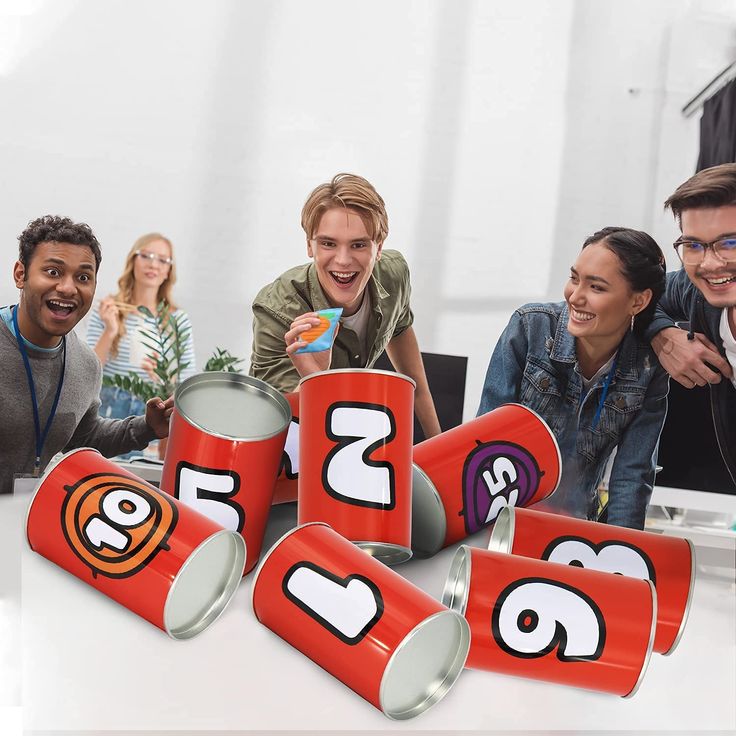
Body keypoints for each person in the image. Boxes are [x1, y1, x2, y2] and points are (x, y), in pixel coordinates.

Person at [478, 227, 668, 529]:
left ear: (639, 301)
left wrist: (619, 554)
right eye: (574, 278)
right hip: (500, 519)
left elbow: (632, 476)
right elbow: (485, 442)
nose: (575, 296)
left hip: (575, 531)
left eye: (597, 288)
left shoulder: (648, 367)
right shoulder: (531, 327)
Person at [250, 173, 441, 438]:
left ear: (379, 247)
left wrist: (437, 448)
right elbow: (280, 431)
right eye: (328, 243)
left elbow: (416, 386)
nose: (343, 260)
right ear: (309, 245)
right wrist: (315, 377)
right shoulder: (278, 309)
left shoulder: (394, 275)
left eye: (359, 245)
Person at [0, 215, 173, 494]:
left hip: (24, 522)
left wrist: (148, 427)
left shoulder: (86, 364)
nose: (68, 288)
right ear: (21, 275)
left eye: (83, 277)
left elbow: (86, 436)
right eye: (53, 272)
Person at [646, 164, 736, 487]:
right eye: (694, 245)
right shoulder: (700, 297)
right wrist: (664, 335)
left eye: (730, 243)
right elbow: (640, 296)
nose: (710, 263)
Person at [86, 233, 196, 420]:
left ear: (169, 270)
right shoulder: (108, 309)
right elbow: (88, 371)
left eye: (163, 260)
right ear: (133, 260)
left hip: (153, 413)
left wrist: (163, 376)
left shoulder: (178, 320)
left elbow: (186, 382)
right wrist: (110, 331)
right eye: (146, 256)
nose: (153, 265)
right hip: (108, 411)